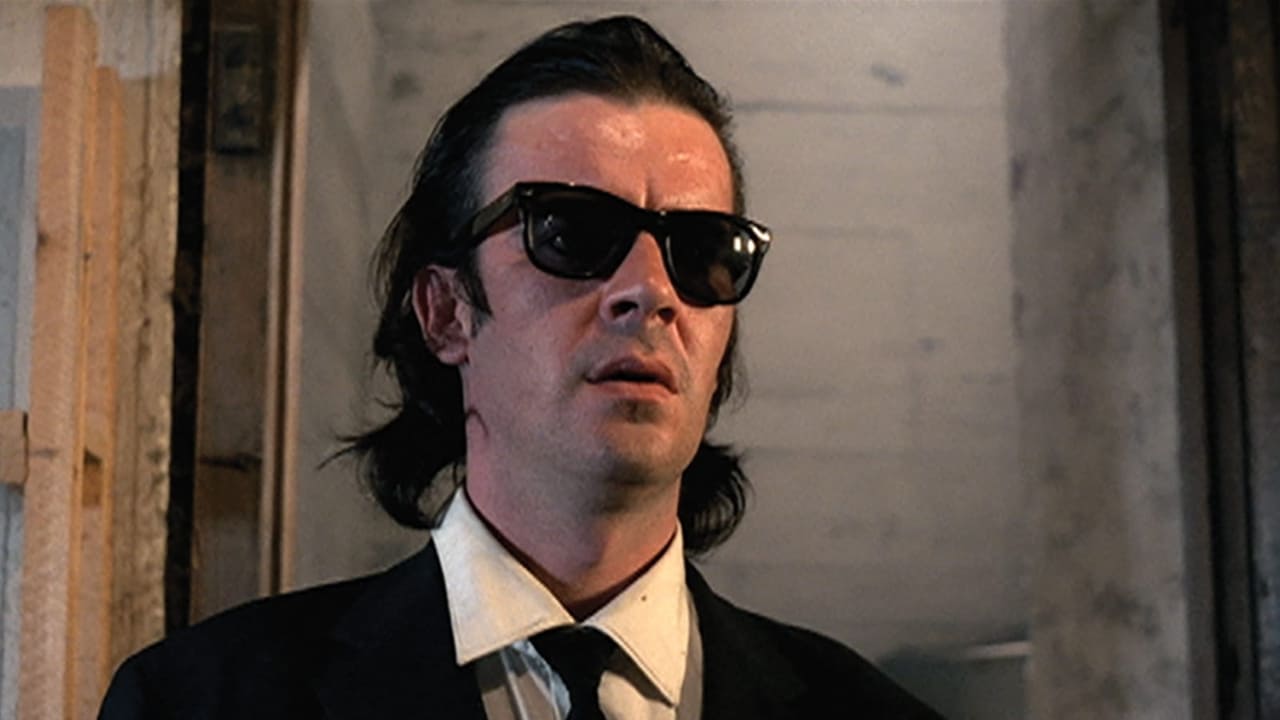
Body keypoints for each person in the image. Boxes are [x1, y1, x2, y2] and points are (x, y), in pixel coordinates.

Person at [100, 15, 943, 720]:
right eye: (571, 232)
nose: (651, 291)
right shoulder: (200, 702)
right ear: (445, 312)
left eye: (701, 251)